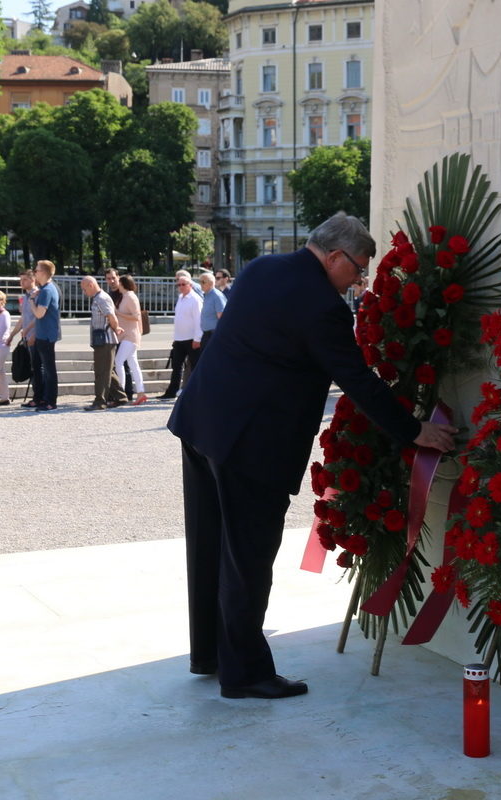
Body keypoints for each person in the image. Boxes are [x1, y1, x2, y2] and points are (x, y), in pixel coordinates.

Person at [167, 213, 458, 699]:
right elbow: (359, 381)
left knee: (209, 545)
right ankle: (246, 674)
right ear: (335, 256)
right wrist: (414, 431)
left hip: (201, 421)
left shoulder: (261, 268)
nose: (359, 281)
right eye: (359, 269)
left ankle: (213, 654)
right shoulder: (321, 305)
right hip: (252, 444)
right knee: (248, 557)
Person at [81, 275, 127, 411]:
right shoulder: (98, 298)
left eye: (84, 289)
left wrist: (116, 328)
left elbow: (111, 316)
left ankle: (100, 401)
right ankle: (120, 397)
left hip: (106, 340)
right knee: (108, 371)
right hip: (102, 340)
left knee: (101, 372)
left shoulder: (101, 298)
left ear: (91, 285)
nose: (84, 292)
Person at [159, 274, 202, 400]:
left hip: (191, 339)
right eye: (179, 285)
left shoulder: (195, 299)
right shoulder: (180, 298)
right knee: (176, 366)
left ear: (190, 285)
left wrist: (197, 338)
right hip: (179, 339)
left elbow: (199, 320)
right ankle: (172, 391)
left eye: (184, 284)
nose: (181, 287)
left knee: (195, 366)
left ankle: (197, 391)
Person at [30, 260, 61, 412]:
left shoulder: (47, 290)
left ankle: (51, 400)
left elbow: (39, 313)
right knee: (45, 368)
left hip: (47, 335)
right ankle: (44, 398)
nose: (35, 273)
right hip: (44, 334)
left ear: (44, 273)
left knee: (49, 369)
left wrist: (30, 300)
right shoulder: (45, 289)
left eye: (36, 271)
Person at [6, 269, 37, 407]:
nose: (21, 282)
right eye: (21, 280)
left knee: (37, 368)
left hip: (35, 336)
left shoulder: (36, 295)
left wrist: (30, 332)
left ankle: (39, 396)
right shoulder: (25, 297)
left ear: (32, 279)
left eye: (24, 279)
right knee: (31, 366)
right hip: (26, 337)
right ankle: (36, 396)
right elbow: (23, 318)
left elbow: (39, 317)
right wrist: (12, 335)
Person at [114, 274, 147, 405]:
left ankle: (120, 391)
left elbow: (136, 317)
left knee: (118, 361)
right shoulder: (127, 296)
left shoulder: (130, 297)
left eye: (119, 283)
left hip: (130, 335)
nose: (117, 285)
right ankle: (141, 392)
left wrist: (118, 313)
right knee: (133, 364)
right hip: (130, 335)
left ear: (123, 284)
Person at [104, 268, 134, 400]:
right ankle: (118, 392)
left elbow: (135, 315)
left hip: (127, 334)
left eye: (113, 278)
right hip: (114, 333)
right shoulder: (109, 294)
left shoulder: (125, 293)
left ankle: (127, 392)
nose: (111, 281)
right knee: (119, 364)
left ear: (118, 277)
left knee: (124, 363)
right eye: (108, 278)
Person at [197, 271, 226, 350]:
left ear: (210, 283)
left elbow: (222, 317)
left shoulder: (216, 296)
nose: (200, 284)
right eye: (200, 282)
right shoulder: (207, 295)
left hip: (213, 335)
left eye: (203, 282)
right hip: (206, 334)